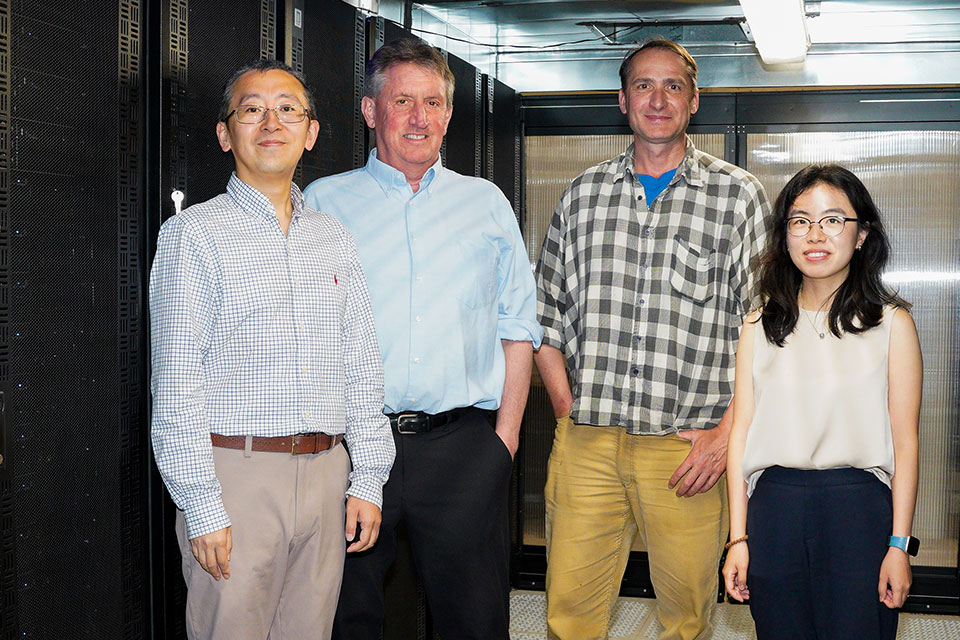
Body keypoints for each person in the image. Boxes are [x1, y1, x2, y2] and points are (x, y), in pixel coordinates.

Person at [304, 39, 542, 639]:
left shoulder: (486, 204)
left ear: (448, 114)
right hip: (356, 448)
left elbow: (519, 327)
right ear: (369, 110)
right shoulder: (322, 205)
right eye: (402, 100)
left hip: (462, 450)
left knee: (476, 622)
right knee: (348, 618)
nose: (419, 117)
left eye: (432, 102)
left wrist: (504, 443)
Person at [534, 39, 771, 640]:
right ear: (622, 100)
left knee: (686, 620)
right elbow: (544, 316)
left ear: (694, 101)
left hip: (686, 449)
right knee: (569, 616)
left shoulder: (737, 197)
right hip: (589, 441)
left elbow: (767, 328)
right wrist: (567, 411)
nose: (657, 99)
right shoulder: (582, 195)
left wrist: (727, 435)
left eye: (672, 86)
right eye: (643, 85)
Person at [149, 59, 395, 639]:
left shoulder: (333, 239)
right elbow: (177, 383)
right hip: (237, 478)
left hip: (328, 474)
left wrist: (368, 479)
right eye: (251, 110)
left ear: (310, 133)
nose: (270, 123)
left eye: (288, 109)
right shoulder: (193, 236)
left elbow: (361, 367)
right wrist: (202, 506)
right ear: (224, 132)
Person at [722, 164, 922, 639]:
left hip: (859, 512)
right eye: (799, 220)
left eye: (833, 219)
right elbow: (741, 432)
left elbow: (906, 443)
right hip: (774, 510)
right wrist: (738, 538)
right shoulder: (758, 326)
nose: (815, 234)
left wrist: (899, 545)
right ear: (784, 236)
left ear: (861, 235)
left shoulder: (892, 325)